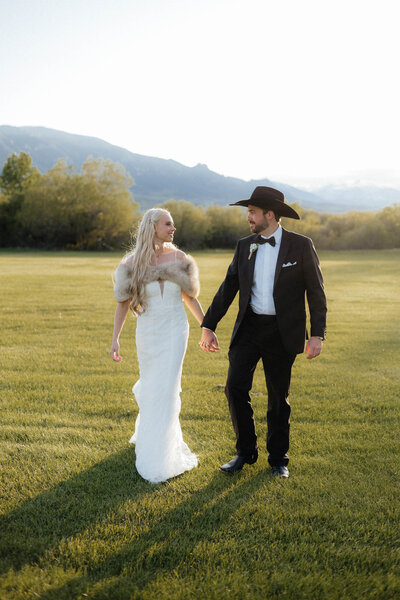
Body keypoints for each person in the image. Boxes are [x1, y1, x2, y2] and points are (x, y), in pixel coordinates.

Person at [199, 186, 327, 478]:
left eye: (252, 212)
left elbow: (316, 293)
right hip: (250, 328)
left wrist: (317, 335)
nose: (249, 218)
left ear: (270, 215)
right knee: (234, 387)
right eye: (248, 213)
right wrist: (209, 325)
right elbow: (228, 287)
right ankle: (245, 452)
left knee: (278, 397)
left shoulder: (301, 245)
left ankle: (279, 459)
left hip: (283, 332)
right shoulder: (246, 246)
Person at [111, 208, 204, 483]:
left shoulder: (180, 258)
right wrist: (115, 338)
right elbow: (123, 304)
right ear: (152, 226)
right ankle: (149, 435)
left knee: (168, 388)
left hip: (176, 330)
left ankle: (160, 455)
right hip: (148, 333)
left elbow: (190, 298)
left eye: (173, 224)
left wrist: (206, 327)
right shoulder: (130, 263)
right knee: (153, 387)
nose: (173, 228)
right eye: (168, 224)